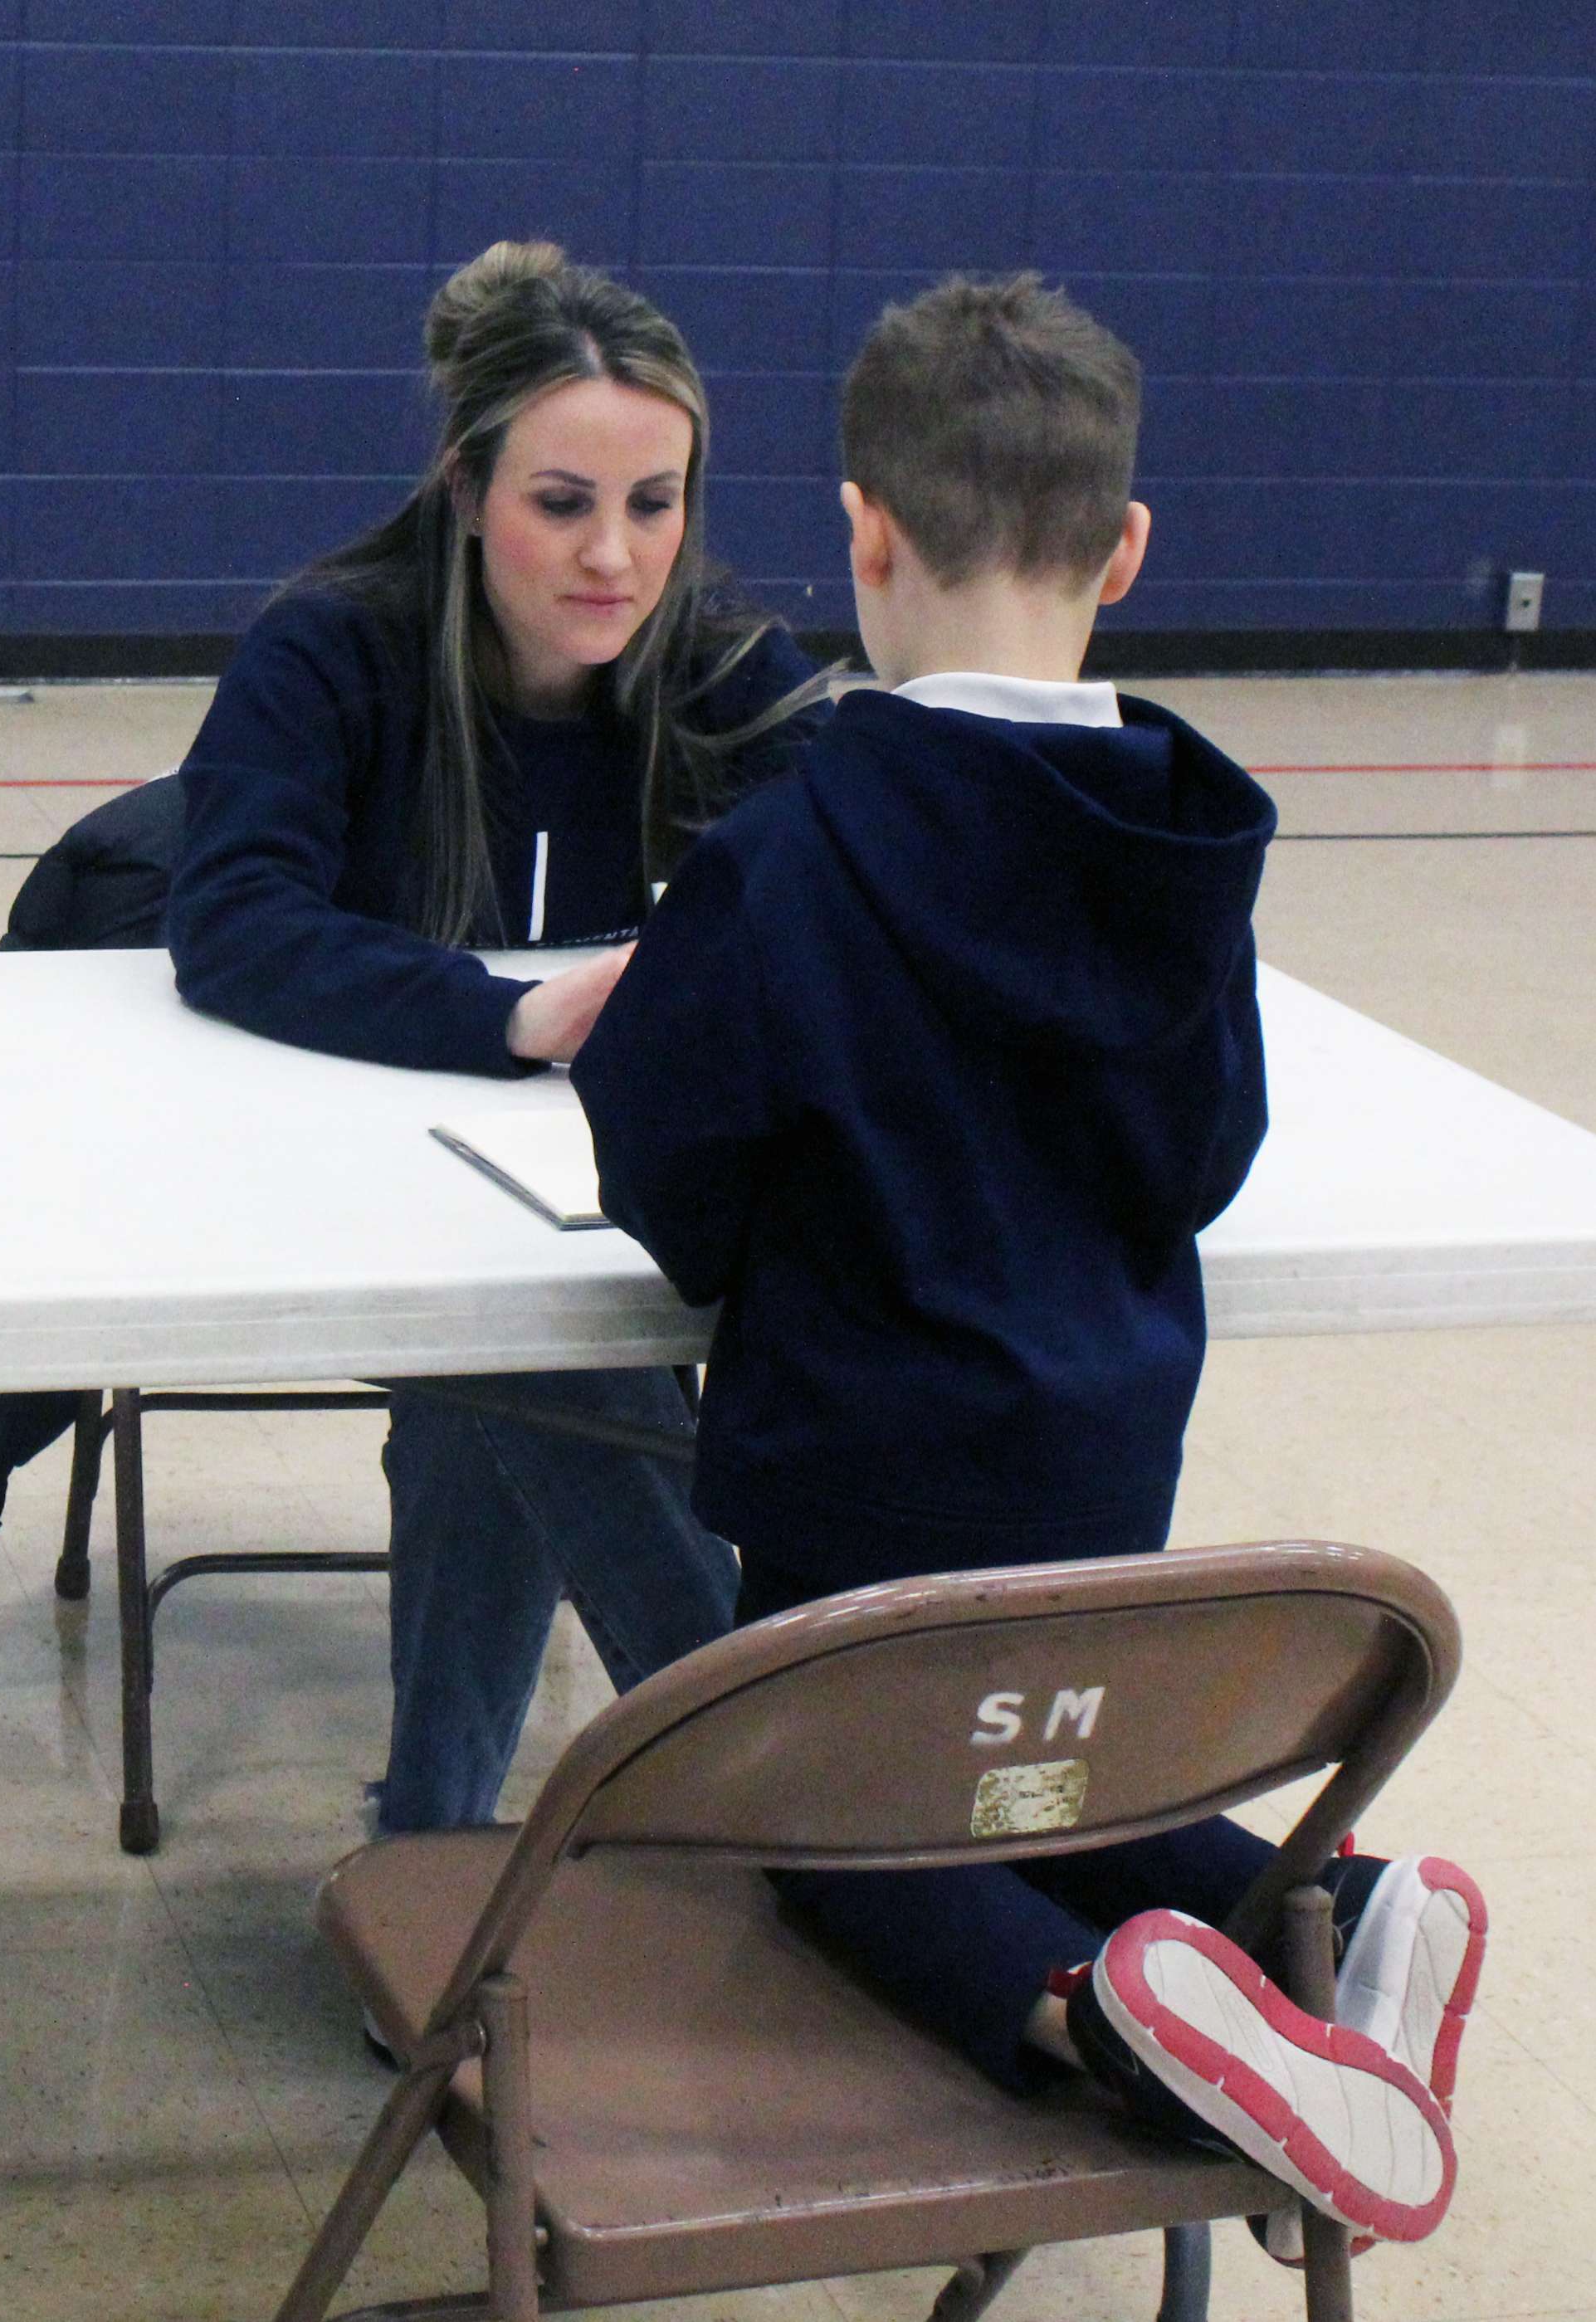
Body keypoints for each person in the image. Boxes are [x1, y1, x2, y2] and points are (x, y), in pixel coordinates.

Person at [573, 276, 1483, 2246]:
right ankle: (1338, 1912)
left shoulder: (786, 853)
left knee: (840, 1835)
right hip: (1096, 1467)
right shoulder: (1176, 849)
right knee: (1046, 1780)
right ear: (1125, 551)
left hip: (857, 1468)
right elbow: (1205, 1149)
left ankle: (1104, 2022)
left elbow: (669, 1172)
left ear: (862, 533)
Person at [164, 241, 827, 1834]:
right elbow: (234, 921)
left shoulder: (729, 672)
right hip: (346, 1175)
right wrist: (509, 1014)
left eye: (654, 503)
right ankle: (782, 1789)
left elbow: (855, 886)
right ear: (468, 491)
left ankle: (438, 1846)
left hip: (615, 1203)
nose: (614, 555)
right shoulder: (333, 648)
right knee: (518, 1349)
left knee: (507, 1369)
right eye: (562, 503)